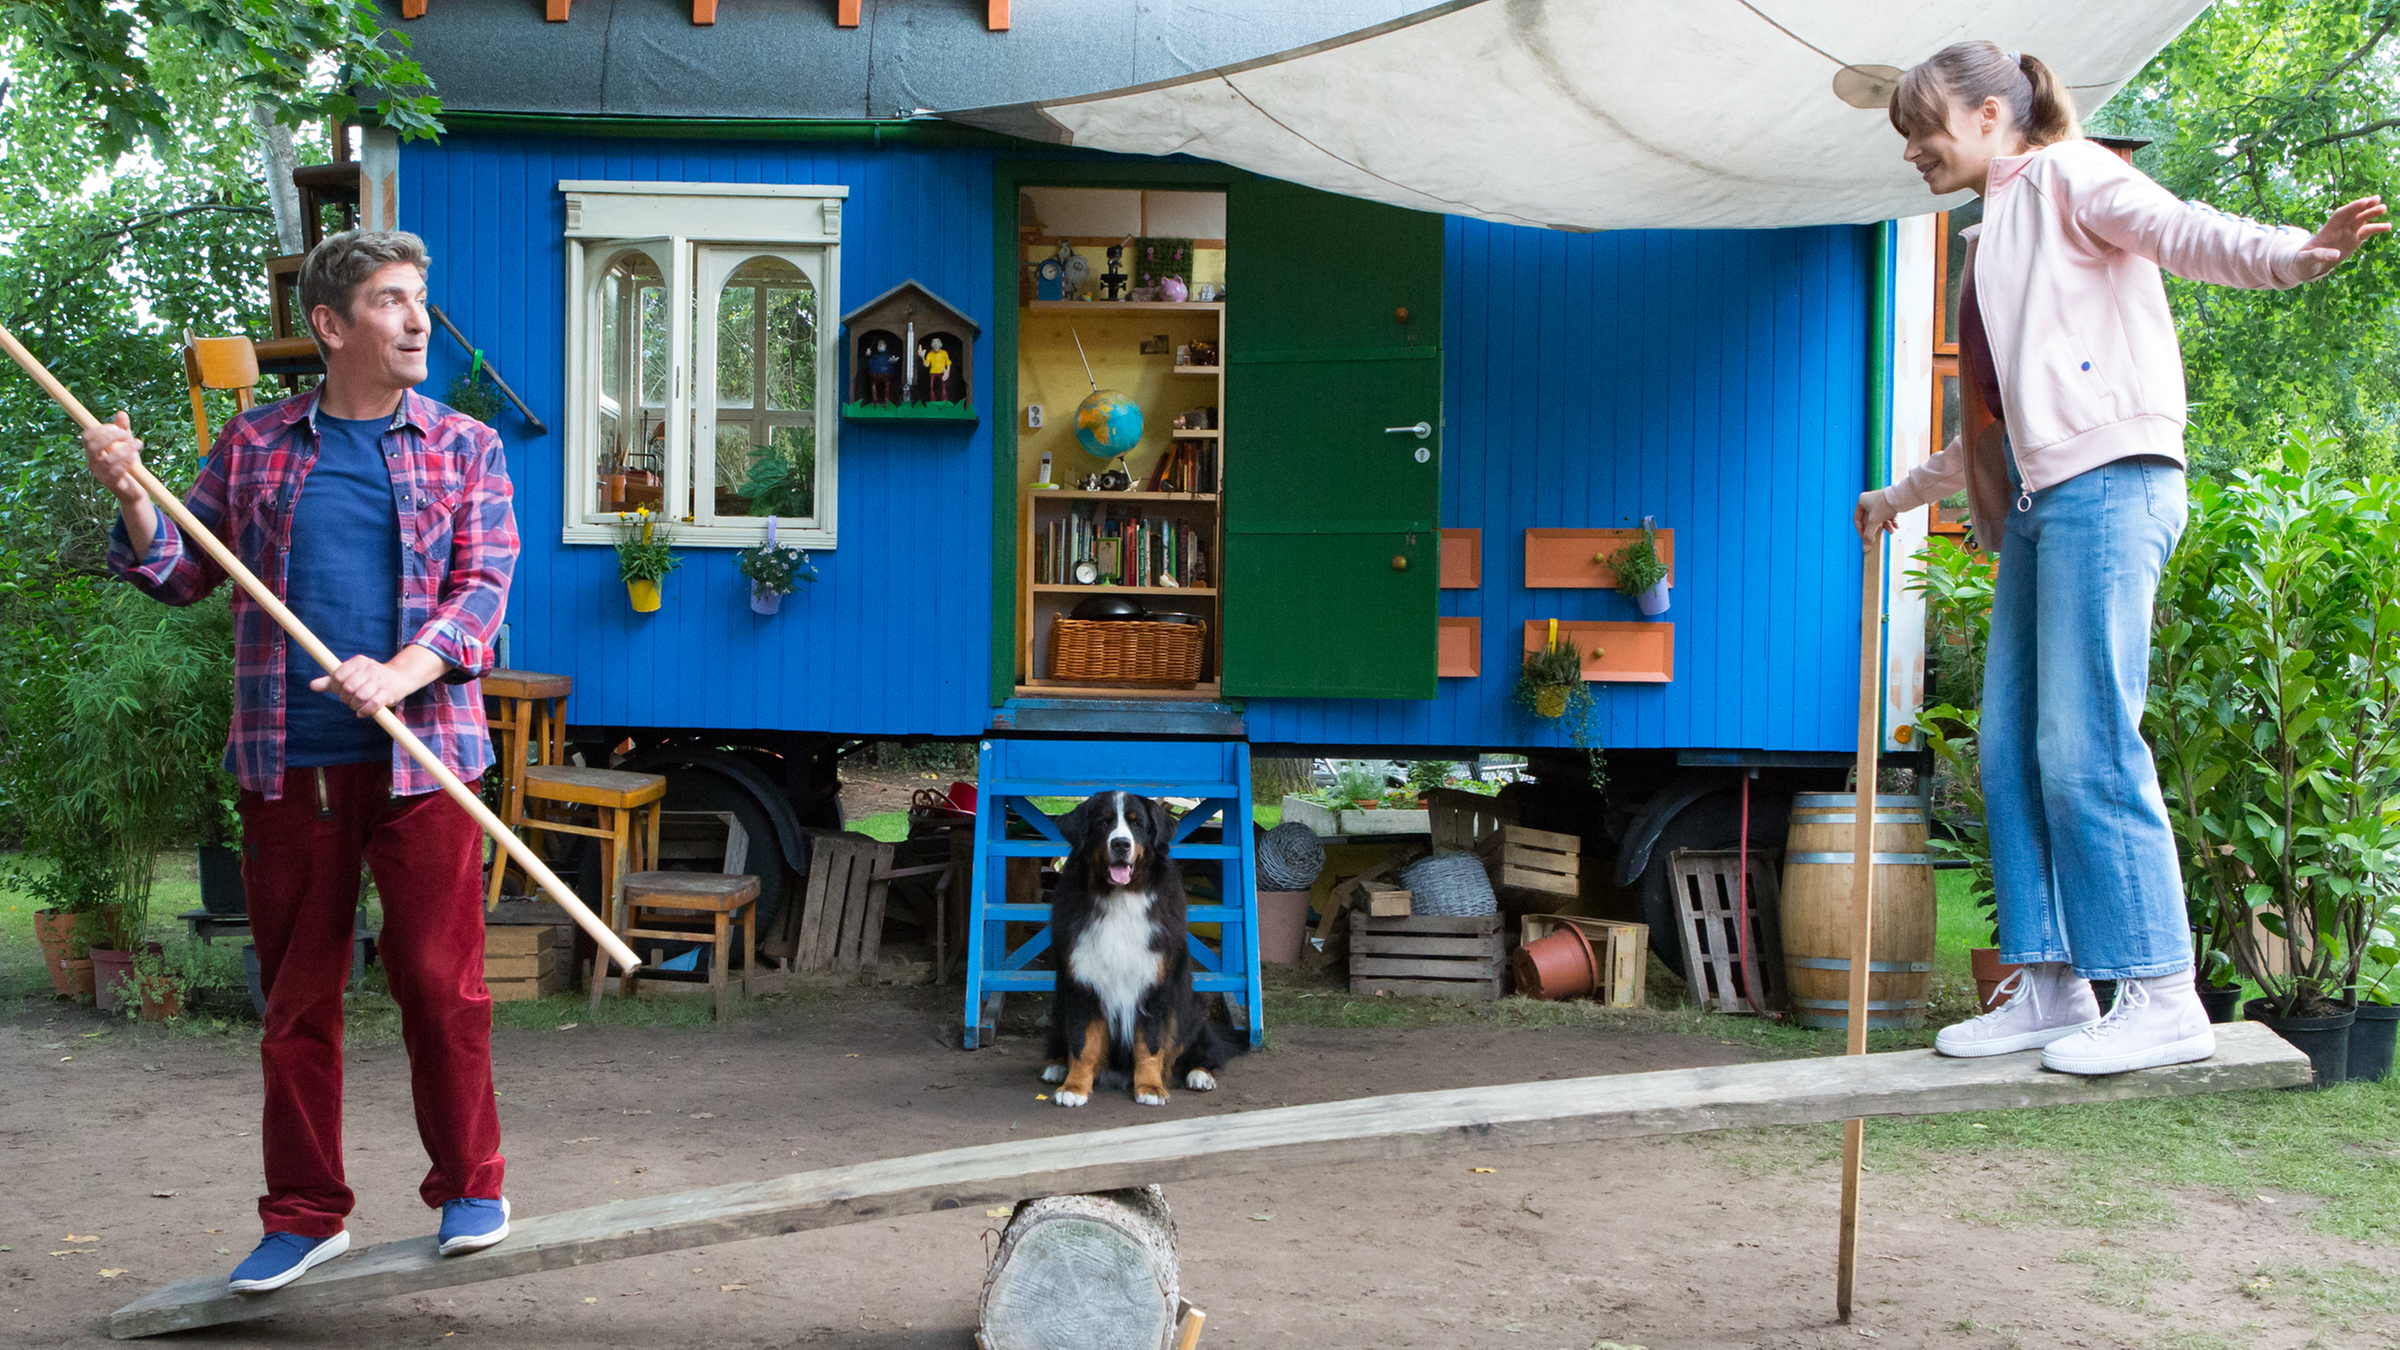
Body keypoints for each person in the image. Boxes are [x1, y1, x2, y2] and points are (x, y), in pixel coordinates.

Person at [1858, 43, 2386, 1075]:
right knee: (2009, 747)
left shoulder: (2067, 171)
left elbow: (2180, 230)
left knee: (2087, 737)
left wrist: (2294, 253)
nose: (1911, 149)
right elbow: (1995, 429)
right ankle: (2051, 981)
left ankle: (2157, 989)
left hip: (2112, 486)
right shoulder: (1991, 232)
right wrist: (1899, 496)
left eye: (1921, 127)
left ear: (1984, 111)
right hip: (2046, 502)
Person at [87, 230, 521, 1289]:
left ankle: (472, 1184)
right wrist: (135, 489)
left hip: (424, 761)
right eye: (391, 302)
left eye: (420, 298)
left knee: (437, 982)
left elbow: (484, 594)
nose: (419, 320)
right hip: (290, 764)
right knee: (295, 999)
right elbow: (184, 572)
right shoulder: (255, 447)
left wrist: (403, 671)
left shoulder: (466, 446)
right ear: (331, 326)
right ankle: (305, 1211)